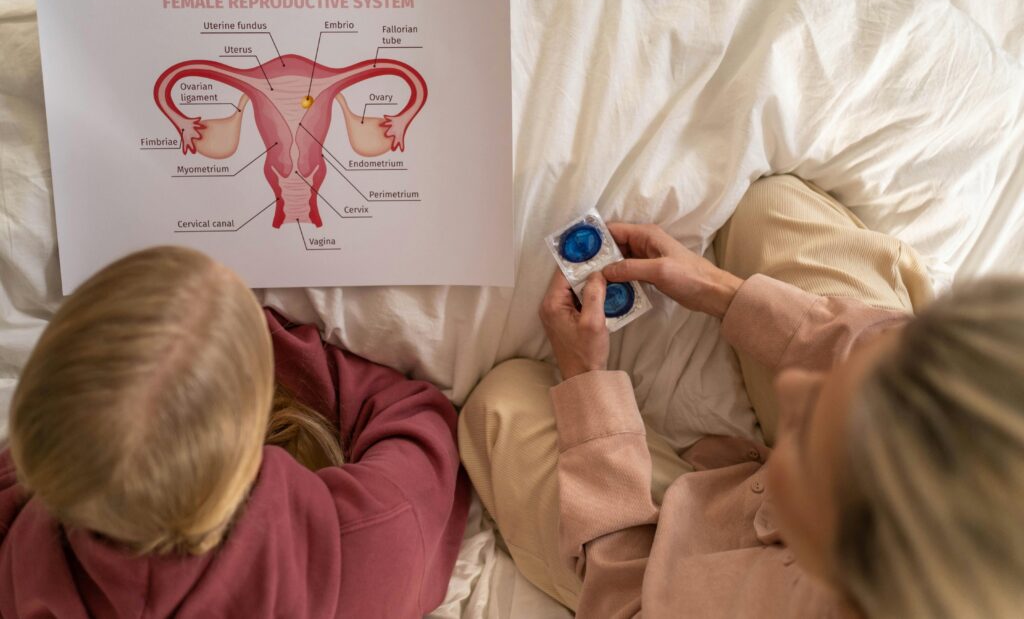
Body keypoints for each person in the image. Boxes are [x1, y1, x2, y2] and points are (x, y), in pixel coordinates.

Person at [460, 175, 1024, 617]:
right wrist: (724, 293)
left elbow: (624, 599)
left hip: (682, 577)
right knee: (771, 210)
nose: (799, 383)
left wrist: (588, 388)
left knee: (503, 403)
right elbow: (882, 343)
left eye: (819, 452)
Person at [0, 246, 469, 618]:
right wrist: (285, 349)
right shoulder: (363, 544)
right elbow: (418, 423)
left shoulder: (20, 547)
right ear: (257, 425)